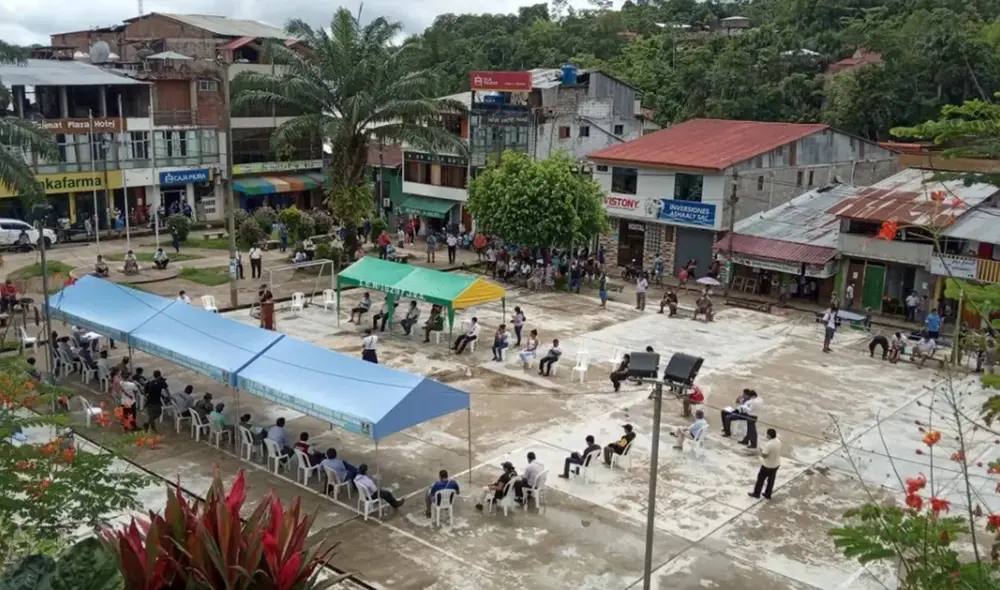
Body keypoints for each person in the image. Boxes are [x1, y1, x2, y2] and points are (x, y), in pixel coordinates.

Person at [749, 429, 782, 500]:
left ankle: (756, 493)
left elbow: (765, 456)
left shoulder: (769, 444)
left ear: (769, 436)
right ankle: (768, 494)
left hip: (767, 465)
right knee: (771, 480)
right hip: (776, 464)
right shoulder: (778, 441)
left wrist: (761, 451)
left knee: (760, 479)